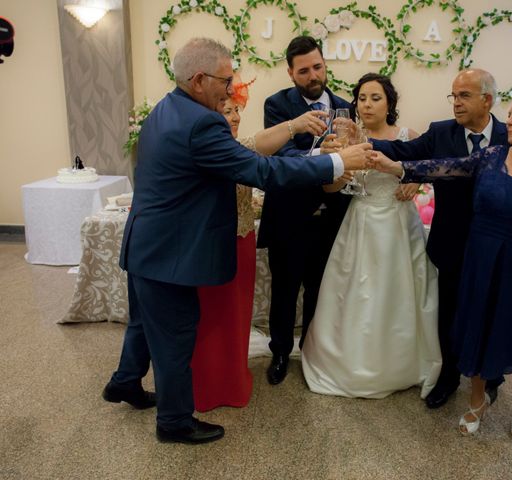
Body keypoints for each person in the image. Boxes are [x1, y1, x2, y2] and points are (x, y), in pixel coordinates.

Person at [101, 37, 371, 445]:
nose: (231, 90)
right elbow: (262, 171)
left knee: (144, 321)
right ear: (197, 80)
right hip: (168, 250)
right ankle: (173, 422)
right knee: (175, 332)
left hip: (146, 241)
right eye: (226, 81)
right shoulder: (202, 122)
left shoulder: (165, 107)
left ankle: (124, 382)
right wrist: (335, 162)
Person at [372, 87, 512, 438]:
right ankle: (476, 399)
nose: (510, 120)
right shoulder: (491, 156)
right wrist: (396, 167)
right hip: (481, 257)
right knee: (477, 326)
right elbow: (444, 167)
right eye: (511, 112)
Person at [370, 69, 508, 409]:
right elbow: (403, 148)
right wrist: (363, 141)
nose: (456, 103)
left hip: (497, 245)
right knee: (447, 314)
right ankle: (448, 375)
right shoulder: (440, 132)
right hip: (450, 241)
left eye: (464, 96)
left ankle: (491, 375)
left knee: (491, 311)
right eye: (453, 96)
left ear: (486, 100)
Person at [191, 78, 330, 411]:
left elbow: (261, 141)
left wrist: (296, 127)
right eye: (227, 111)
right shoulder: (210, 149)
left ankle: (232, 377)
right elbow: (270, 161)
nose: (235, 116)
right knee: (211, 317)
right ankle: (209, 383)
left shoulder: (239, 145)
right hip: (213, 245)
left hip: (243, 241)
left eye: (237, 109)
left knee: (237, 316)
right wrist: (305, 136)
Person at [301, 73, 442, 398]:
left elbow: (431, 168)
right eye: (361, 98)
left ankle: (403, 361)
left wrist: (416, 179)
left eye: (375, 98)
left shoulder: (408, 136)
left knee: (400, 293)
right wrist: (336, 170)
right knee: (355, 293)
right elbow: (331, 187)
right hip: (361, 221)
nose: (366, 104)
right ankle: (349, 362)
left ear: (389, 103)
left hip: (398, 224)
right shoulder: (349, 137)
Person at [258, 36, 353, 386]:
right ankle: (280, 352)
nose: (312, 75)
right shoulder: (277, 105)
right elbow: (278, 157)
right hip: (289, 217)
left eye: (317, 66)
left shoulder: (346, 105)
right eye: (303, 71)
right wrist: (323, 158)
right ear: (290, 73)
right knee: (284, 289)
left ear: (324, 64)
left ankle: (311, 350)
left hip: (332, 215)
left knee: (320, 289)